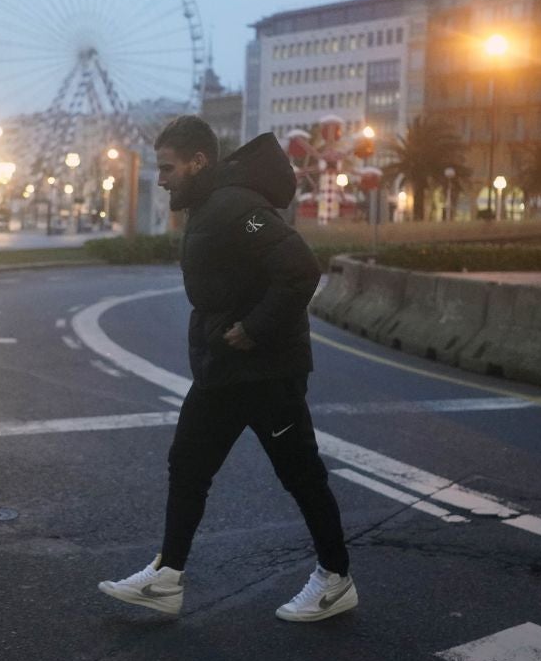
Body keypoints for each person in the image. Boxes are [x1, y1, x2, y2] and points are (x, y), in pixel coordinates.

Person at [98, 116, 356, 623]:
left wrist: (256, 328)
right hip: (224, 370)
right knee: (188, 465)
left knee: (300, 475)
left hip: (266, 373)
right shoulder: (210, 205)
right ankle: (167, 576)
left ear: (199, 162)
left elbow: (301, 269)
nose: (163, 178)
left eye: (168, 168)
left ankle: (336, 579)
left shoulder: (239, 207)